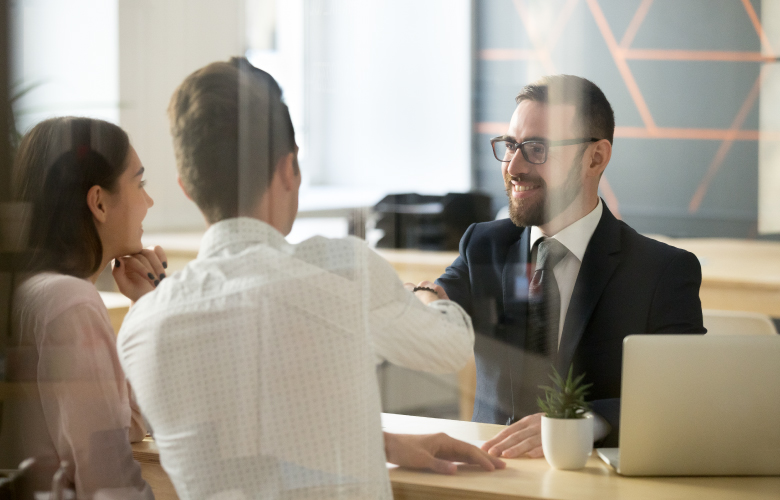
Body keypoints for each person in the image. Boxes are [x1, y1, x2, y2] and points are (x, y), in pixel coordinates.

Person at [116, 57, 503, 500]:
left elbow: (246, 446)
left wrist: (383, 444)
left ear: (187, 187)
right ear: (289, 167)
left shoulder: (141, 327)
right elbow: (451, 347)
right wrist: (428, 293)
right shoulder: (339, 269)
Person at [436, 75, 706, 457]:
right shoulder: (483, 245)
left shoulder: (662, 271)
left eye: (536, 148)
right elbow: (441, 298)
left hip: (594, 482)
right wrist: (424, 298)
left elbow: (684, 394)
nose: (513, 166)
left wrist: (583, 421)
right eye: (511, 145)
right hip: (490, 476)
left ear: (595, 157)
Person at [0, 117, 169, 499]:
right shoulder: (71, 302)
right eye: (139, 184)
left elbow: (125, 424)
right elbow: (108, 482)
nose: (149, 201)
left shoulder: (31, 290)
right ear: (98, 202)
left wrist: (143, 305)